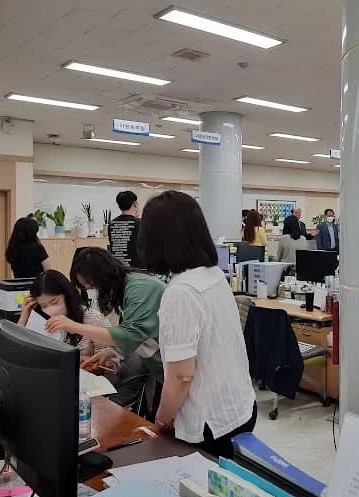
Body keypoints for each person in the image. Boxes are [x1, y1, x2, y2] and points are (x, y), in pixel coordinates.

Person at [138, 190, 256, 459]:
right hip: (238, 406)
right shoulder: (213, 275)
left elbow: (182, 376)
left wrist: (162, 418)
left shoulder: (181, 292)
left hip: (209, 423)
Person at [45, 247, 166, 405]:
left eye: (90, 286)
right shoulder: (128, 289)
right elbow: (138, 333)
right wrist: (109, 352)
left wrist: (73, 326)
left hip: (176, 371)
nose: (90, 292)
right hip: (162, 370)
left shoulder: (139, 288)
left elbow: (132, 333)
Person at [18, 270, 119, 372]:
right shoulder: (40, 322)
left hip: (88, 383)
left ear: (67, 296)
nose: (50, 310)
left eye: (54, 301)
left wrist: (89, 363)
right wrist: (23, 318)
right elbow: (18, 355)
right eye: (44, 306)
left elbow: (112, 366)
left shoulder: (93, 319)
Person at [109, 191, 141, 268]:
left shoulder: (111, 224)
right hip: (136, 270)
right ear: (134, 203)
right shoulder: (140, 223)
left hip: (118, 268)